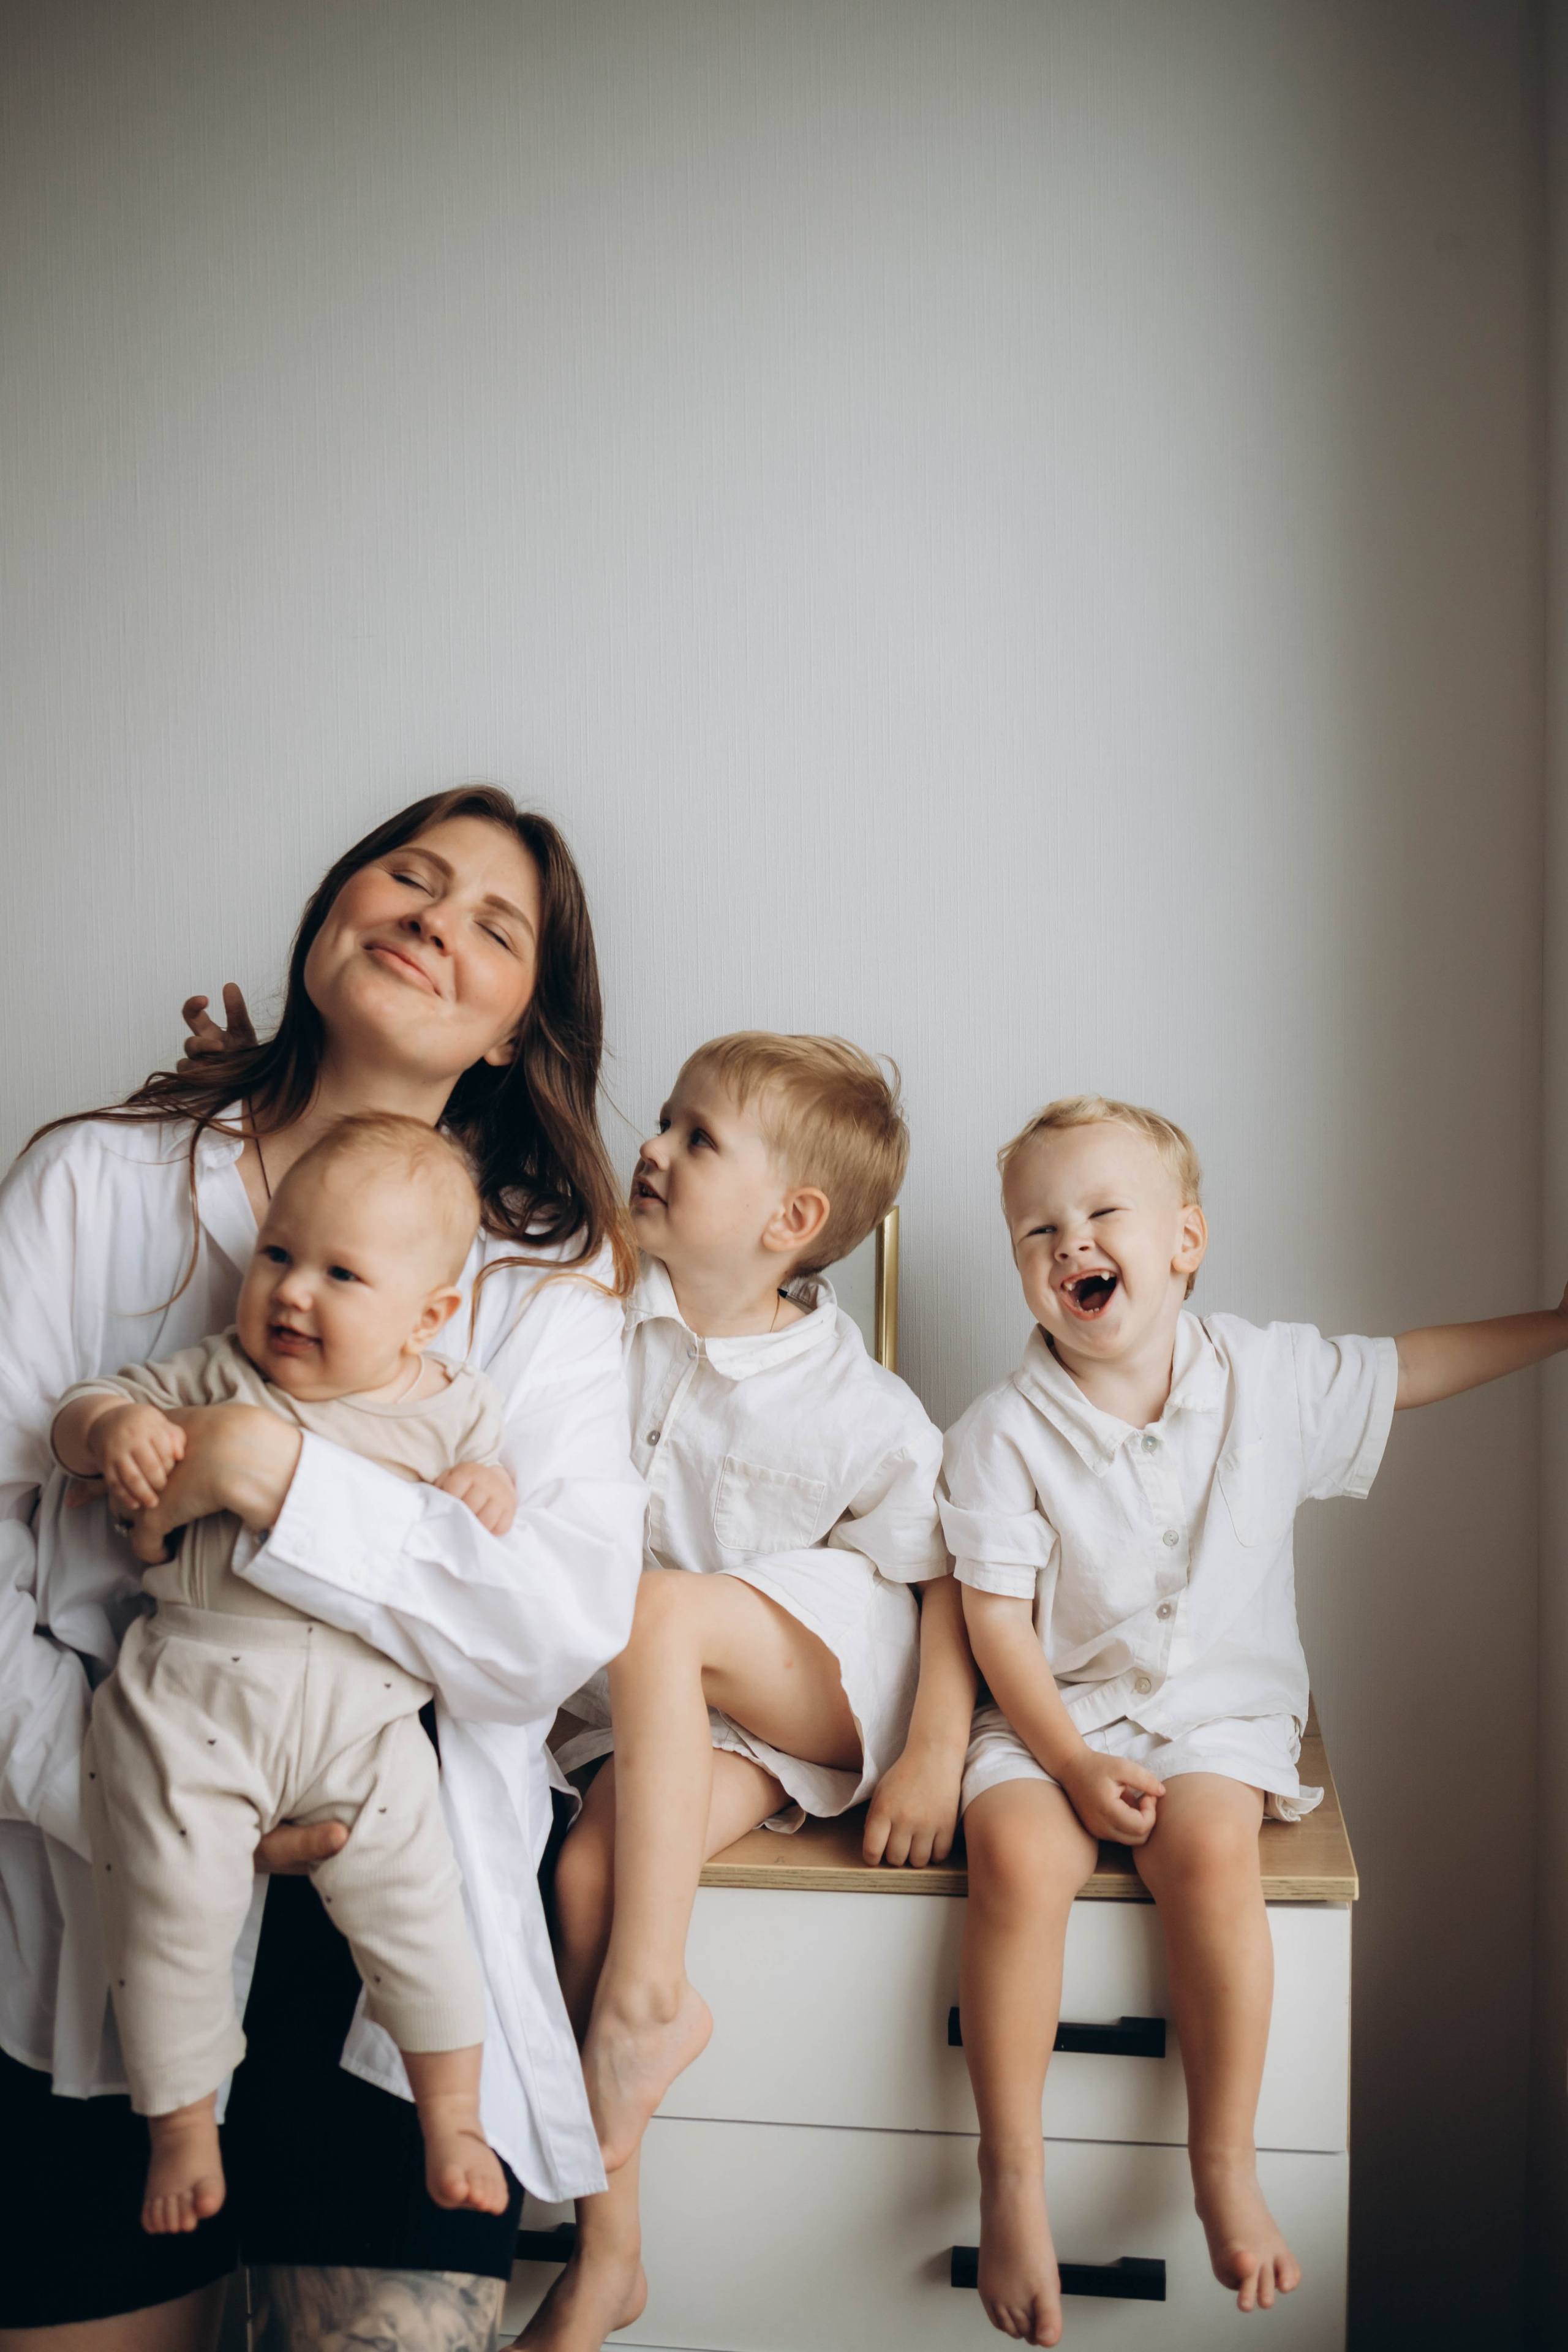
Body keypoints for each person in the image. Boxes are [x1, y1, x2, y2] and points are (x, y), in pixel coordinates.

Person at [0, 790, 644, 2352]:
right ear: (326, 920)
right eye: (409, 880)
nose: (437, 919)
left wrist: (269, 1473)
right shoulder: (99, 1184)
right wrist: (124, 1808)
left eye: (496, 926)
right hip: (108, 1877)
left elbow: (544, 1628)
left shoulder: (542, 1301)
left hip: (396, 1920)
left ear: (511, 1033)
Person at [944, 1093, 1568, 2348]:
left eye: (1099, 1215)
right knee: (1014, 1856)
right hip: (1048, 1715)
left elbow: (1407, 1367)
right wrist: (1065, 1762)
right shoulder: (997, 1432)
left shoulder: (1266, 1377)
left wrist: (1556, 1328)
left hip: (1216, 1717)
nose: (1068, 1243)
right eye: (1034, 1231)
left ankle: (1220, 2160)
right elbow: (993, 1626)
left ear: (1182, 1241)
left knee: (1212, 1851)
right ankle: (1010, 2176)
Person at [530, 1033, 977, 2352]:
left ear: (792, 1222)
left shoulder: (859, 1403)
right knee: (586, 1877)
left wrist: (933, 1753)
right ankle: (608, 2257)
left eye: (695, 1136)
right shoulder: (603, 1324)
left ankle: (645, 2002)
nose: (651, 1148)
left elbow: (942, 1576)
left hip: (828, 1674)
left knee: (660, 1608)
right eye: (661, 1122)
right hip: (671, 1695)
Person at [55, 1115, 516, 2234]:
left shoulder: (448, 1404)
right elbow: (73, 1415)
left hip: (365, 1716)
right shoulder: (216, 1372)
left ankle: (452, 2110)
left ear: (430, 1315)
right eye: (278, 1255)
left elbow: (486, 1517)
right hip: (195, 1696)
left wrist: (484, 1491)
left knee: (422, 1908)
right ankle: (183, 2126)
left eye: (341, 1274)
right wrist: (111, 1426)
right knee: (173, 1912)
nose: (292, 1293)